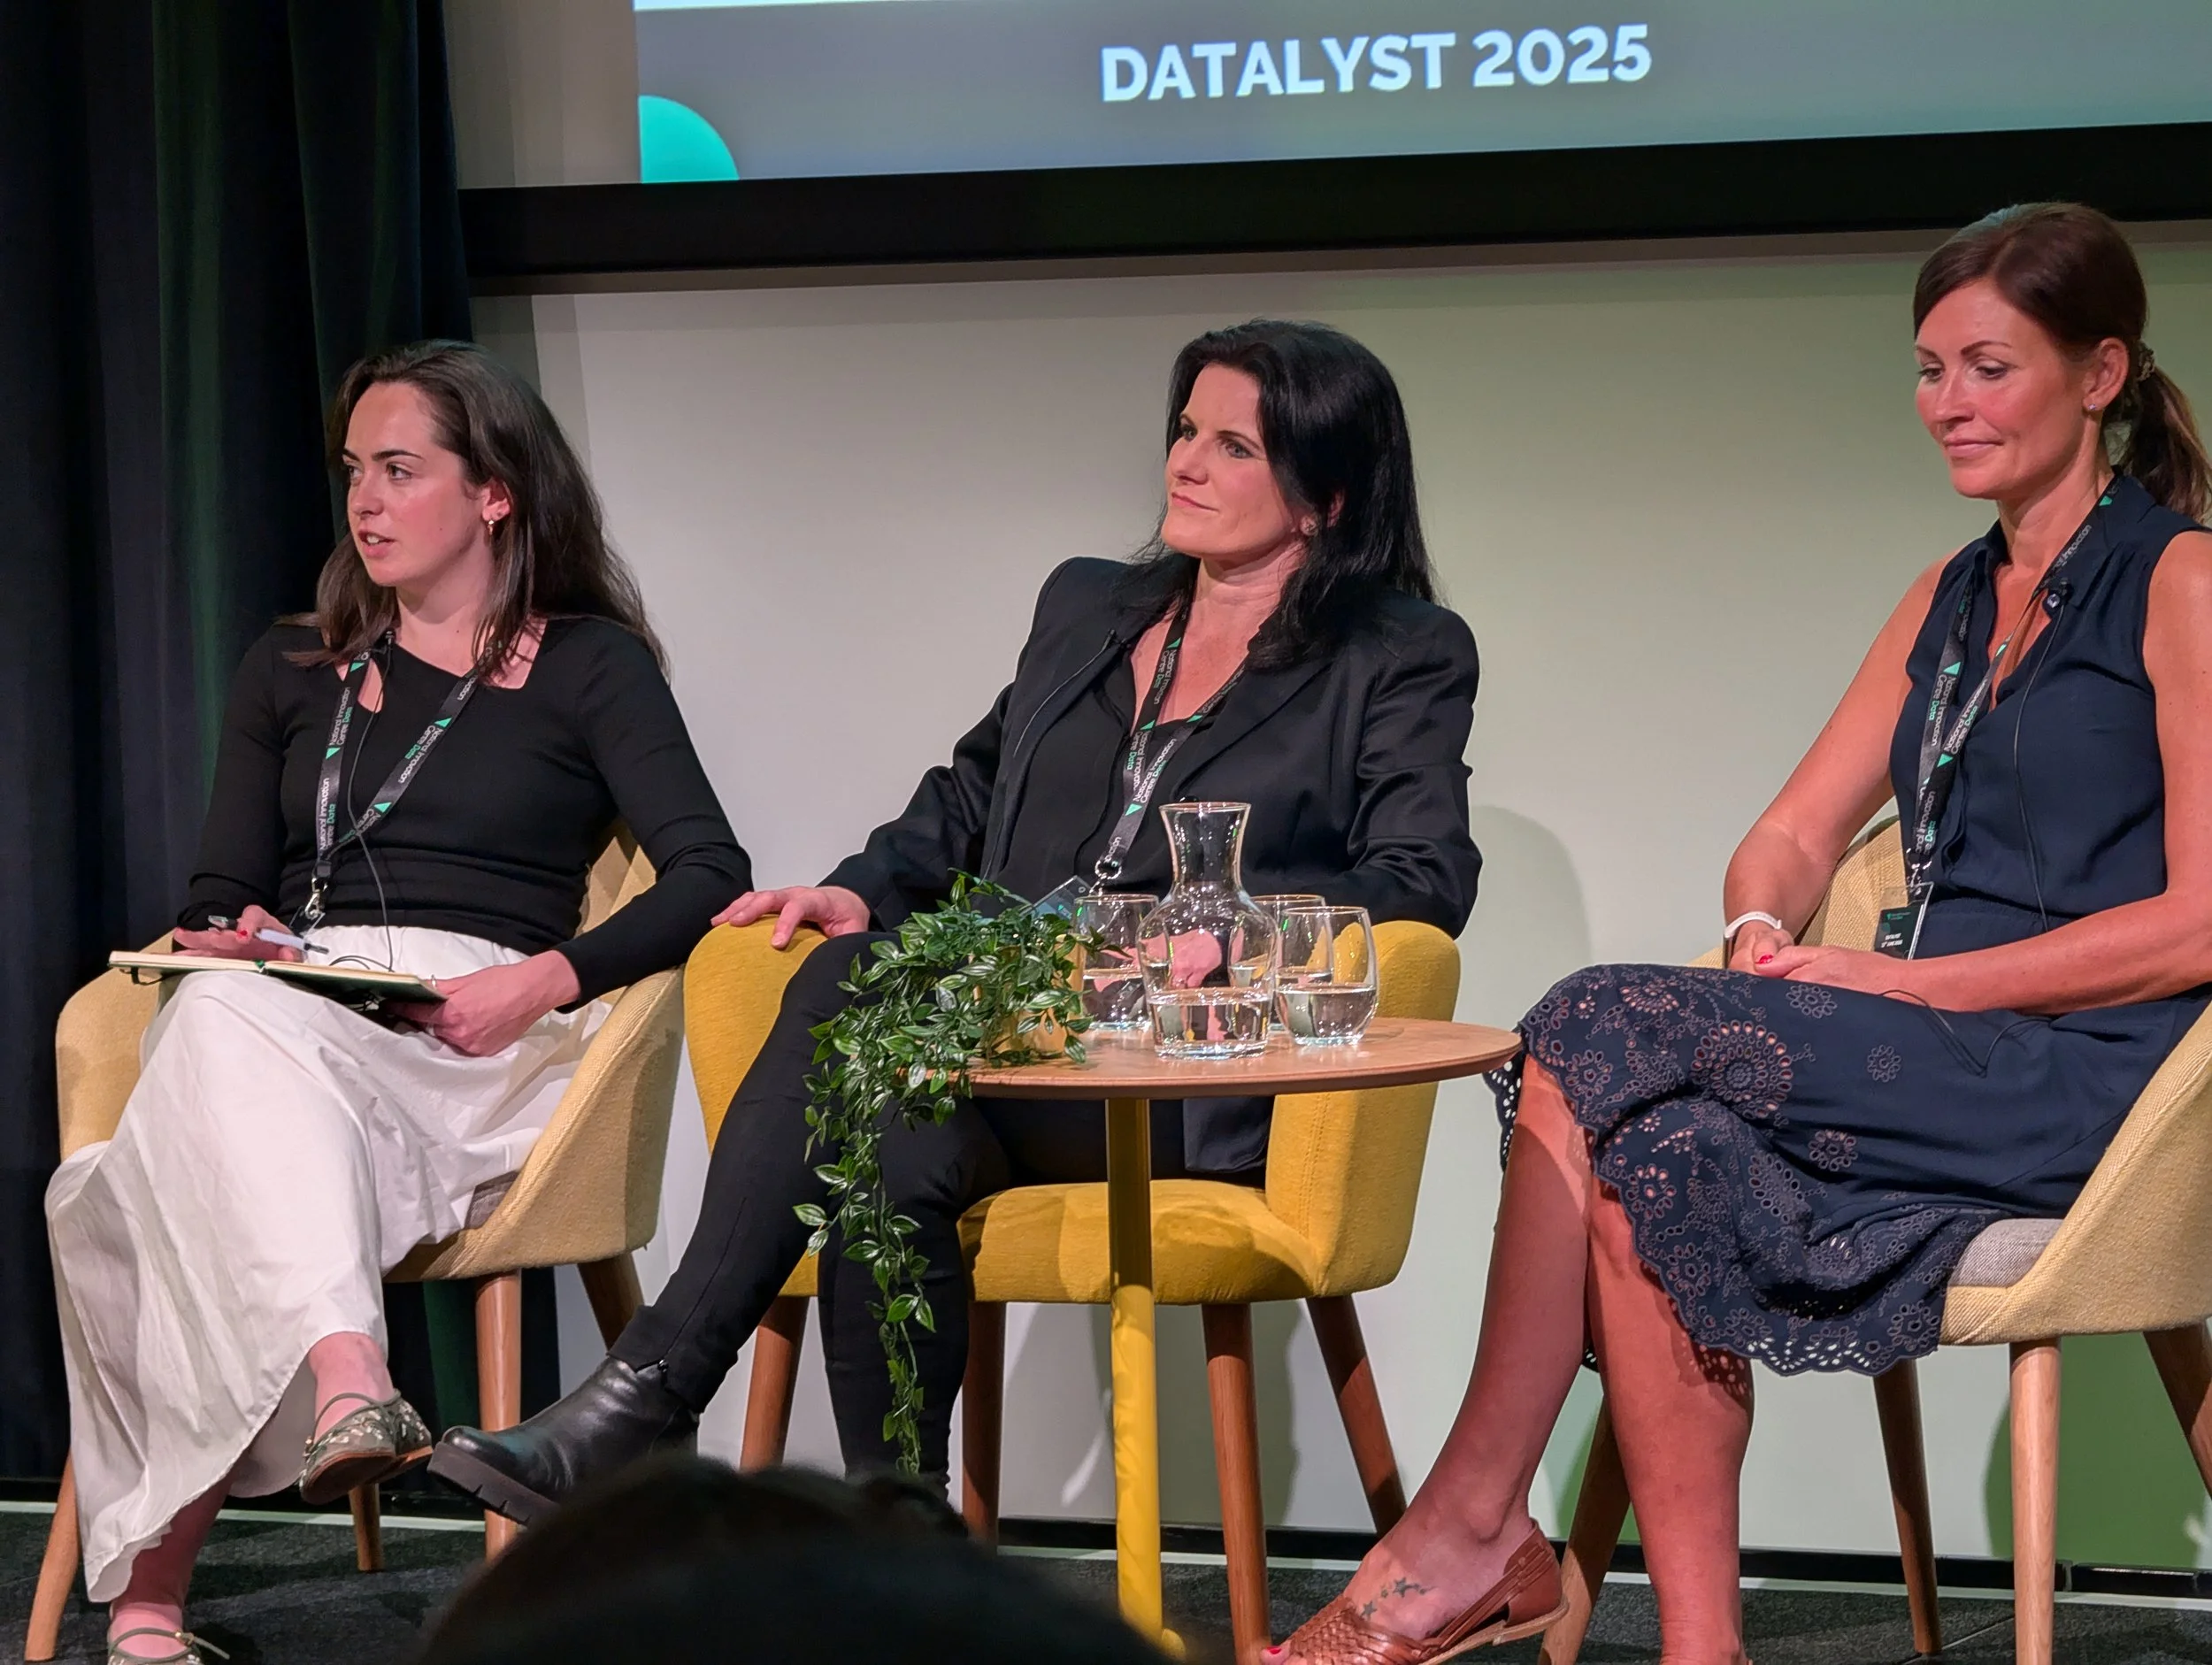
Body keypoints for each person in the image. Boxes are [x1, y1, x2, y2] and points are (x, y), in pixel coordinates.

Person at [1267, 201, 2212, 1665]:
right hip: (1938, 1055)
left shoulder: (2183, 580)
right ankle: (1703, 1648)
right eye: (1925, 369)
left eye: (1986, 367)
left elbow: (2198, 922)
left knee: (1593, 1012)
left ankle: (1468, 1524)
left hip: (2099, 1080)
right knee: (1662, 1156)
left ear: (2099, 375)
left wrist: (1917, 982)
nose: (1945, 406)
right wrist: (1769, 923)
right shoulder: (1946, 598)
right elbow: (1788, 832)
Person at [430, 318, 1483, 1518]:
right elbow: (972, 796)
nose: (1185, 461)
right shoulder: (1095, 607)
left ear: (1324, 498)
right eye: (1186, 429)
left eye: (1233, 445)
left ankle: (651, 1393)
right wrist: (859, 888)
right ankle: (900, 1522)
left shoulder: (1399, 655)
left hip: (1175, 1080)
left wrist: (1225, 930)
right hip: (1008, 1046)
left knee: (852, 1001)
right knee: (882, 1131)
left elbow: (1422, 879)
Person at [45, 341, 751, 1665]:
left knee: (178, 1121)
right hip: (302, 1013)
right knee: (219, 1017)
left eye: (400, 470)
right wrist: (234, 932)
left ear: (494, 491)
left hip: (475, 1031)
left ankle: (151, 1597)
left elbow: (712, 870)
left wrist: (542, 978)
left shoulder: (589, 665)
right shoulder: (293, 668)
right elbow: (222, 885)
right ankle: (351, 1382)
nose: (364, 501)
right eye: (354, 472)